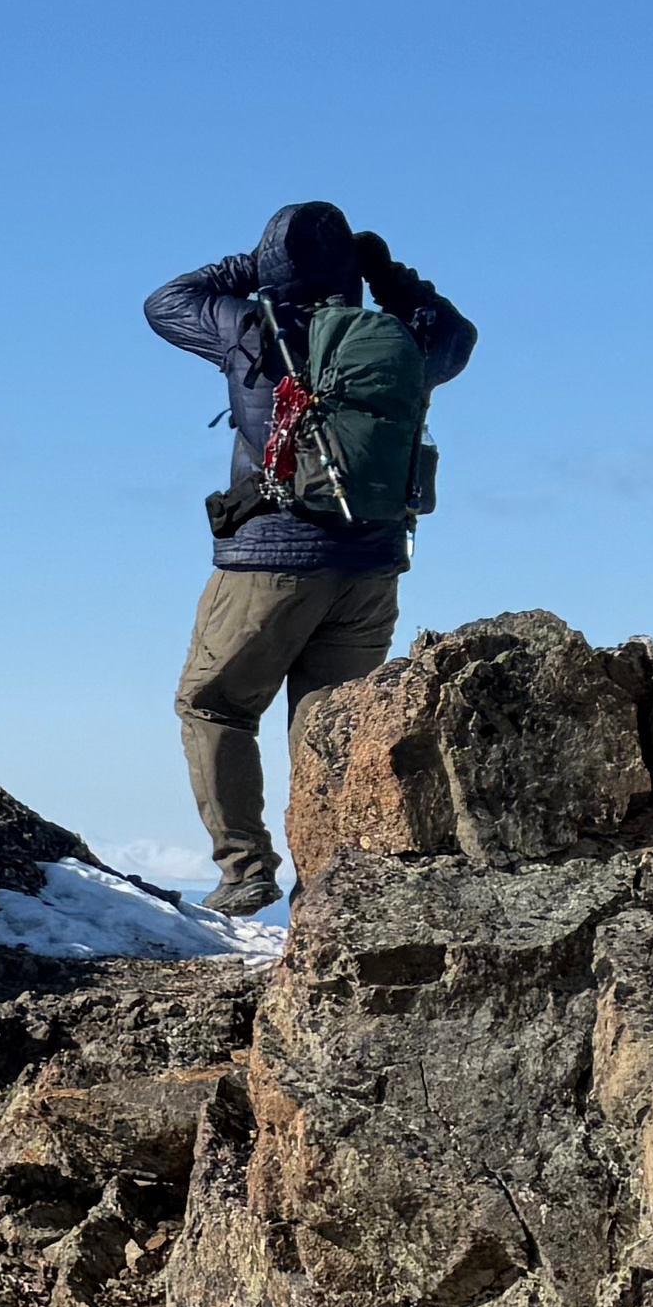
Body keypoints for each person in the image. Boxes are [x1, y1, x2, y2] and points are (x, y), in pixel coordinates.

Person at [144, 200, 476, 920]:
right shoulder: (403, 341)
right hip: (372, 571)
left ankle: (245, 871)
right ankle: (327, 892)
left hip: (270, 562)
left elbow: (166, 303)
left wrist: (250, 268)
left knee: (213, 704)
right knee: (330, 727)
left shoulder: (255, 328)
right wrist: (388, 275)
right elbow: (459, 334)